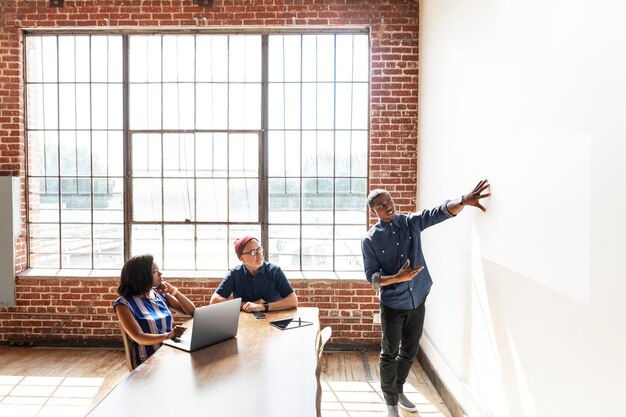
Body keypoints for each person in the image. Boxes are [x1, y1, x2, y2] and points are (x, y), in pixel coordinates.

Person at [361, 180, 490, 417]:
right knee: (389, 353)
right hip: (392, 305)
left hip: (418, 299)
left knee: (409, 350)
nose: (388, 206)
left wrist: (461, 201)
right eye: (381, 205)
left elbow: (436, 213)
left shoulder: (409, 222)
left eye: (389, 200)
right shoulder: (370, 240)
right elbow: (372, 277)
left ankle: (398, 389)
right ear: (374, 211)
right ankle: (390, 403)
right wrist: (397, 278)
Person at [114, 254, 196, 368]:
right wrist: (168, 336)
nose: (160, 273)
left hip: (171, 353)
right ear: (141, 276)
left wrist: (173, 291)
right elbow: (139, 337)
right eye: (154, 271)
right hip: (149, 362)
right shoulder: (123, 304)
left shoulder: (158, 294)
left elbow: (192, 311)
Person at [210, 236, 298, 313]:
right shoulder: (235, 274)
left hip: (274, 320)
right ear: (242, 259)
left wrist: (262, 307)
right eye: (253, 252)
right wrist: (245, 305)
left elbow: (293, 301)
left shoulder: (274, 271)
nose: (259, 254)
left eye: (259, 249)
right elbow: (214, 301)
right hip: (245, 322)